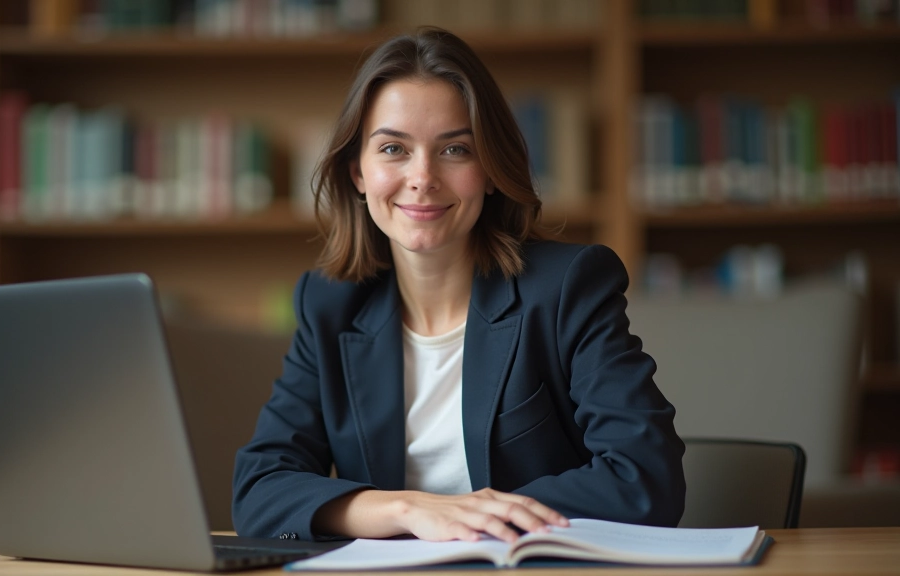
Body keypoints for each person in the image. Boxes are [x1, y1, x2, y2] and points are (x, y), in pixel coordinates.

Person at [232, 27, 685, 544]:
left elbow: (646, 476)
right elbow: (259, 490)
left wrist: (474, 518)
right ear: (358, 171)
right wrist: (407, 509)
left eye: (454, 150)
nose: (423, 177)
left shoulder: (567, 289)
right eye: (393, 148)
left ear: (490, 169)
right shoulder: (330, 305)